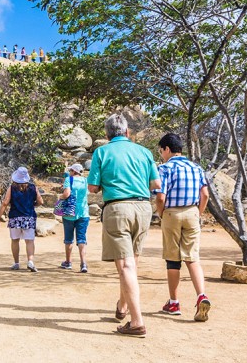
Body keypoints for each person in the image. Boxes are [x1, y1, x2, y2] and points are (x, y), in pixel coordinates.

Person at [87, 113, 160, 338]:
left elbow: (92, 188)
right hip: (143, 208)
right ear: (128, 132)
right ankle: (122, 306)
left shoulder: (102, 152)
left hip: (118, 208)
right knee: (131, 263)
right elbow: (156, 183)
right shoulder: (144, 152)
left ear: (108, 135)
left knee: (125, 266)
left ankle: (137, 322)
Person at [154, 133, 211, 322]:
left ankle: (174, 302)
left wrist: (161, 213)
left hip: (172, 213)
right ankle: (201, 296)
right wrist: (198, 212)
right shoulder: (196, 168)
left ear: (167, 149)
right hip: (192, 212)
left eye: (161, 151)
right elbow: (205, 194)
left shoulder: (164, 168)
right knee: (192, 257)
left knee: (172, 259)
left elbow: (160, 196)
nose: (161, 154)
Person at [0, 167, 43, 272]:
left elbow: (5, 202)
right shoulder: (33, 187)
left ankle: (16, 263)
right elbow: (41, 201)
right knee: (29, 241)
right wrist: (33, 204)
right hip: (29, 217)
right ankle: (30, 261)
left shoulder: (12, 188)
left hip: (15, 217)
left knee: (15, 240)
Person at [59, 163, 90, 272]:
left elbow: (66, 193)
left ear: (73, 171)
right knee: (81, 239)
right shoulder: (86, 181)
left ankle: (68, 262)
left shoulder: (69, 179)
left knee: (68, 239)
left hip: (69, 213)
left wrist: (60, 197)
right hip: (83, 213)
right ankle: (83, 263)